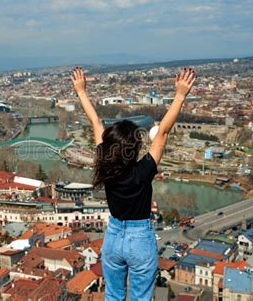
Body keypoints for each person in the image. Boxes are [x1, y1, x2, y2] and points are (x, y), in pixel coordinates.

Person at [71, 67, 196, 300]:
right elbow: (163, 133)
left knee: (114, 296)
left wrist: (81, 91)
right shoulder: (143, 171)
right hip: (140, 240)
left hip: (113, 237)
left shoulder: (105, 167)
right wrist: (180, 95)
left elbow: (96, 122)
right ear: (134, 149)